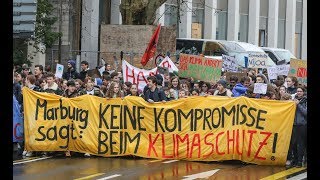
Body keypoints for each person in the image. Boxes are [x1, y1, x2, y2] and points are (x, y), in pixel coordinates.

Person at [287, 86, 307, 167]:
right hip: (294, 125)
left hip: (302, 125)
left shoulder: (305, 101)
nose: (298, 93)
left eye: (300, 91)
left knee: (301, 144)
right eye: (298, 91)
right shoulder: (293, 100)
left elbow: (305, 113)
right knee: (294, 144)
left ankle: (300, 161)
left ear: (303, 92)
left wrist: (298, 105)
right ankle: (295, 160)